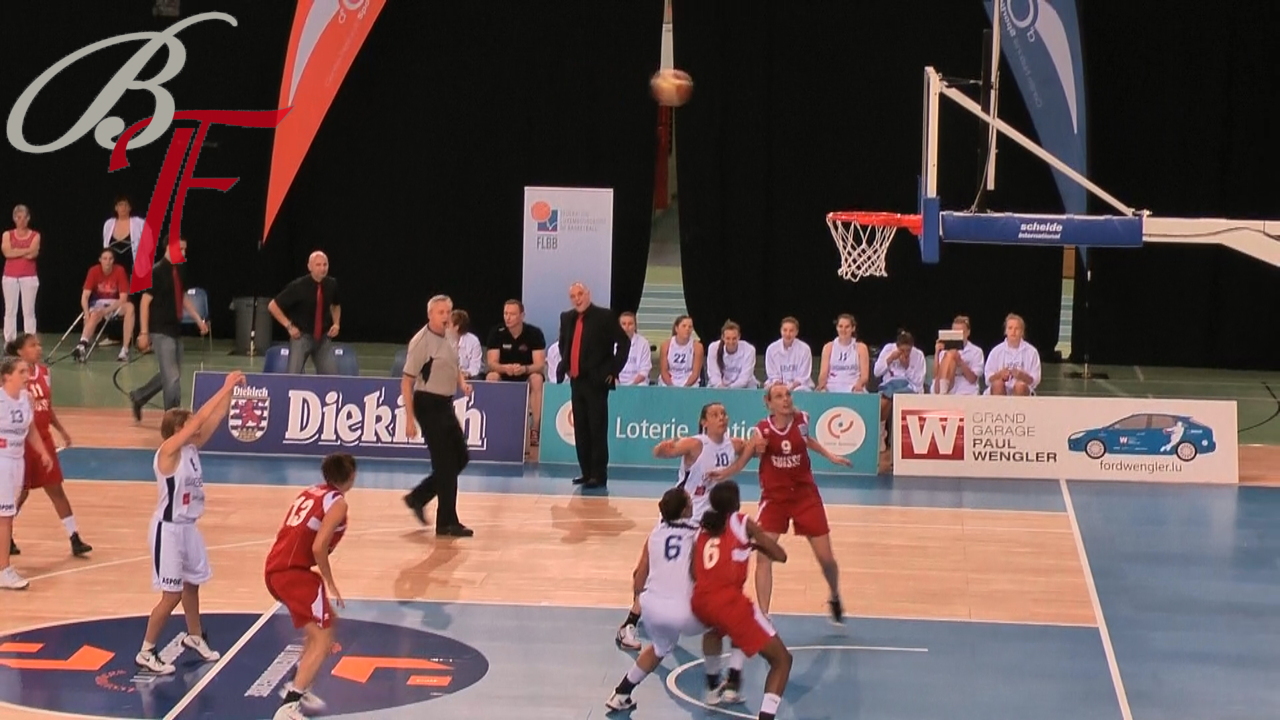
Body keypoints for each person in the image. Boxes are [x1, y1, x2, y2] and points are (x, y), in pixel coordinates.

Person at [711, 384, 850, 624]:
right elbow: (743, 461)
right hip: (775, 499)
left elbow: (806, 440)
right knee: (763, 556)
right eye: (779, 396)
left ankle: (835, 595)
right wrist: (724, 473)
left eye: (788, 395)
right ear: (769, 403)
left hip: (805, 496)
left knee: (826, 559)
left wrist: (830, 455)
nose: (786, 399)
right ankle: (764, 617)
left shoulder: (802, 419)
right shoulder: (762, 431)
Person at [134, 371, 244, 674]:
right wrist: (223, 386)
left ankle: (195, 636)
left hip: (188, 529)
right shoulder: (168, 451)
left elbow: (215, 417)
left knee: (192, 584)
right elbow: (201, 419)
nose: (196, 425)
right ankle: (146, 650)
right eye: (190, 423)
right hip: (167, 529)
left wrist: (231, 392)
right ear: (177, 429)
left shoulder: (191, 449)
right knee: (171, 595)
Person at [617, 402, 743, 650]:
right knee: (647, 566)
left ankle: (715, 618)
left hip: (706, 524)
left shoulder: (734, 445)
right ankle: (630, 622)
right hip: (680, 516)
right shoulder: (695, 444)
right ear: (704, 422)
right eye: (715, 414)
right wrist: (662, 449)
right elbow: (663, 451)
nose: (721, 417)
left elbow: (753, 448)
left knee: (703, 573)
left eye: (724, 414)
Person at [605, 487, 725, 711]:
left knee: (659, 649)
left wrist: (640, 601)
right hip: (683, 609)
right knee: (716, 629)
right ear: (685, 509)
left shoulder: (655, 535)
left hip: (652, 608)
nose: (692, 502)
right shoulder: (698, 534)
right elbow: (696, 573)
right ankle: (713, 687)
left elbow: (638, 576)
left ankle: (621, 693)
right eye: (689, 500)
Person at [266, 453, 357, 720]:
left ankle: (299, 686)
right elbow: (319, 547)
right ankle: (289, 706)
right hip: (294, 573)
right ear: (351, 476)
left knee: (324, 625)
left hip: (277, 567)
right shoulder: (337, 503)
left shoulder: (312, 492)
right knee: (322, 638)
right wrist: (330, 580)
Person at [691, 481, 792, 720]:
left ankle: (716, 687)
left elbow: (693, 572)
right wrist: (757, 544)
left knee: (716, 631)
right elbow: (781, 555)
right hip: (729, 603)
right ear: (735, 503)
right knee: (782, 660)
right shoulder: (741, 521)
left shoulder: (702, 529)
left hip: (701, 600)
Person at [7, 334, 91, 558]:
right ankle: (6, 534)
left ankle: (74, 537)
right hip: (22, 442)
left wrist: (61, 430)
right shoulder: (13, 377)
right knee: (21, 493)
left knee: (56, 488)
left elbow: (47, 407)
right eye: (32, 345)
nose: (38, 348)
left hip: (43, 439)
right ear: (20, 352)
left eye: (39, 345)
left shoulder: (45, 372)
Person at [401, 295, 474, 537]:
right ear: (430, 314)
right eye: (440, 312)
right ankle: (446, 523)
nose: (445, 316)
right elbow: (407, 381)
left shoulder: (450, 335)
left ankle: (418, 496)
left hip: (445, 403)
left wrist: (462, 383)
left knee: (460, 457)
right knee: (446, 464)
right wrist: (409, 419)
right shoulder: (421, 342)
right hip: (427, 404)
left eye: (447, 312)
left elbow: (454, 365)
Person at [557, 282, 630, 489]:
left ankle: (599, 474)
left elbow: (624, 343)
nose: (577, 299)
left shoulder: (605, 316)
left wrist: (612, 370)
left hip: (597, 381)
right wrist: (566, 365)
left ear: (588, 294)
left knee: (597, 428)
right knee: (580, 428)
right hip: (576, 380)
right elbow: (564, 344)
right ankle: (586, 472)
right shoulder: (567, 317)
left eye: (580, 294)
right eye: (573, 296)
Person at [129, 235, 209, 419]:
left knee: (172, 374)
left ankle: (139, 396)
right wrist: (144, 332)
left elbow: (183, 297)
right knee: (172, 377)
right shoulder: (156, 272)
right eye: (180, 249)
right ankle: (173, 419)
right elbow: (144, 302)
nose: (184, 253)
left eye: (185, 249)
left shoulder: (180, 269)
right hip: (160, 329)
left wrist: (198, 320)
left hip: (175, 329)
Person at [0, 355, 55, 590]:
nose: (27, 376)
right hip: (2, 460)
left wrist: (43, 453)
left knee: (7, 513)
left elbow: (30, 429)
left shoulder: (26, 399)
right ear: (7, 377)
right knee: (5, 517)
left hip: (17, 460)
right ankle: (4, 570)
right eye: (21, 372)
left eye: (27, 371)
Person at [484, 299, 546, 447]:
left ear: (522, 315)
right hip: (503, 372)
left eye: (512, 314)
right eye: (505, 313)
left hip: (526, 372)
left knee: (537, 379)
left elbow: (539, 364)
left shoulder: (534, 333)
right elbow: (492, 362)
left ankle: (535, 429)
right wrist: (505, 368)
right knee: (491, 377)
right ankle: (491, 426)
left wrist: (524, 369)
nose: (508, 317)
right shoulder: (496, 332)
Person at [268, 251, 341, 375]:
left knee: (332, 378)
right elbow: (273, 306)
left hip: (323, 338)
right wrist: (289, 326)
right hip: (301, 337)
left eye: (325, 264)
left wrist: (336, 323)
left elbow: (336, 305)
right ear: (310, 267)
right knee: (293, 375)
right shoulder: (298, 286)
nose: (322, 268)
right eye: (318, 265)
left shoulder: (331, 284)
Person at [73, 248, 134, 362]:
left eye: (110, 259)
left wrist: (107, 311)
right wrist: (86, 314)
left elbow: (123, 298)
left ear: (113, 260)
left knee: (130, 307)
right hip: (99, 302)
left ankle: (125, 350)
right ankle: (82, 345)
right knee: (94, 314)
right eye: (105, 259)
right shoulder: (93, 271)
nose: (107, 262)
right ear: (100, 260)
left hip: (115, 303)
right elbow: (85, 296)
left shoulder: (119, 270)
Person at [2, 204, 41, 343]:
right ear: (14, 218)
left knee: (29, 311)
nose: (21, 221)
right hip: (10, 277)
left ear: (28, 218)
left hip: (29, 277)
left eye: (24, 217)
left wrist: (15, 251)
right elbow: (7, 252)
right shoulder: (7, 234)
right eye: (18, 218)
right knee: (10, 311)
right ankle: (9, 342)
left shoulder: (35, 235)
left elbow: (33, 254)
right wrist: (25, 250)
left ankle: (29, 341)